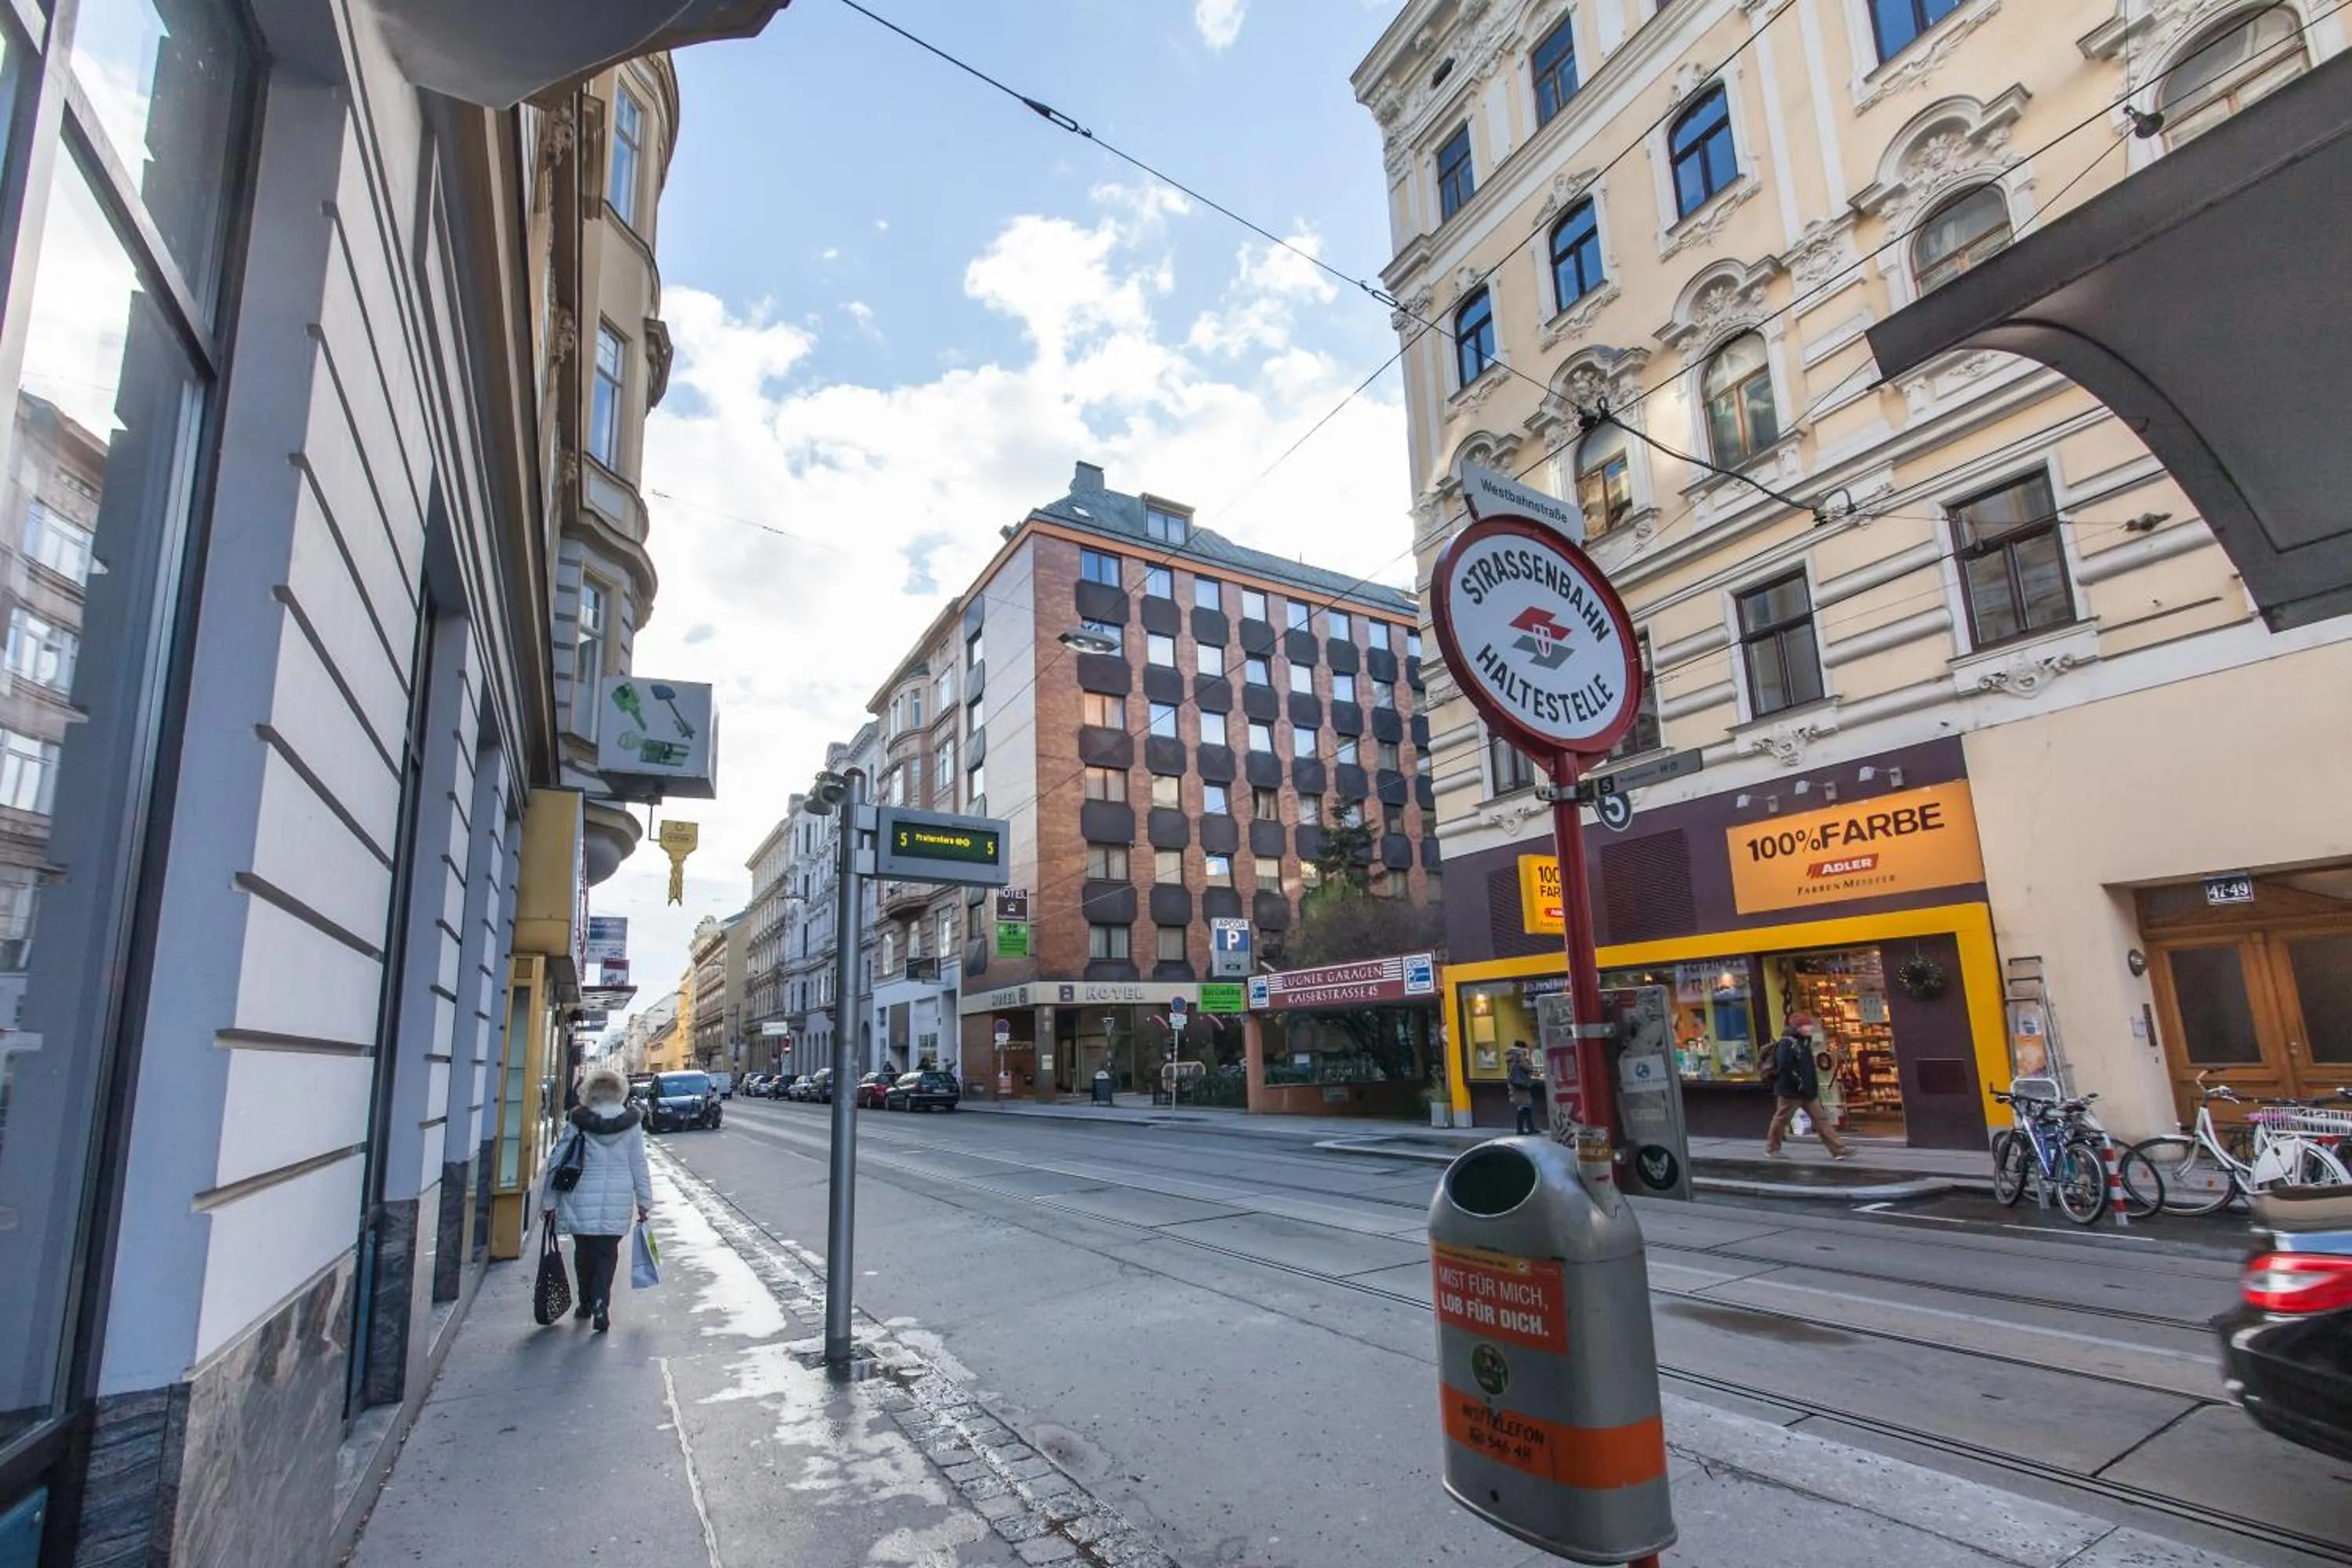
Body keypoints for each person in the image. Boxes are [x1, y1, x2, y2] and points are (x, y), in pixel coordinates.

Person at [543, 1064, 652, 1332]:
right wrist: (644, 1202)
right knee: (607, 1252)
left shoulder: (579, 1120)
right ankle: (602, 1301)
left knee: (584, 1252)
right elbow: (639, 1164)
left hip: (581, 1196)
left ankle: (586, 1303)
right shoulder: (631, 1123)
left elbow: (559, 1160)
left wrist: (549, 1201)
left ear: (589, 1091)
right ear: (619, 1092)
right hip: (618, 1198)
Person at [1764, 1013, 1854, 1160]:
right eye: (1806, 1025)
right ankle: (1772, 1148)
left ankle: (1839, 1149)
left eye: (1809, 1024)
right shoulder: (1786, 1043)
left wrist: (1812, 1086)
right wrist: (1799, 1083)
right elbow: (1784, 1067)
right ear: (1798, 1027)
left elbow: (1809, 1067)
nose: (1810, 1027)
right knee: (1782, 1119)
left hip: (1807, 1091)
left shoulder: (1805, 1042)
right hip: (1791, 1092)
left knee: (1821, 1119)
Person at [1504, 1041, 1537, 1136]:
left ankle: (1529, 1127)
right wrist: (1528, 1058)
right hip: (1521, 1086)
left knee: (1526, 1107)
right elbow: (1529, 1068)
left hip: (1516, 1085)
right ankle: (1521, 1129)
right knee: (1523, 1107)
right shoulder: (1520, 1056)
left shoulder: (1511, 1057)